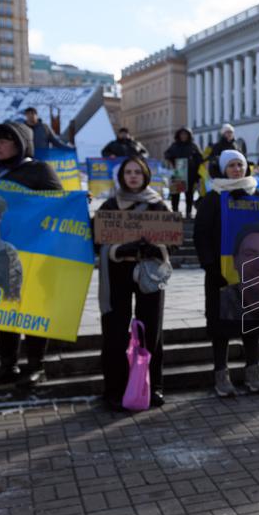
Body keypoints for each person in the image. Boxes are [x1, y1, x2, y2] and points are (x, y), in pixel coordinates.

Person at [0, 122, 62, 389]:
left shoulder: (39, 170)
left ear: (20, 142)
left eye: (4, 140)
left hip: (34, 254)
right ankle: (8, 365)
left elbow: (59, 207)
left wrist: (76, 202)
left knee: (33, 307)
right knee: (3, 309)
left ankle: (37, 367)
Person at [95, 156, 170, 411]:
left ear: (146, 175)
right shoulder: (110, 204)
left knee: (152, 329)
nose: (133, 176)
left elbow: (172, 239)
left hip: (149, 272)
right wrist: (119, 248)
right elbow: (97, 240)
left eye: (138, 171)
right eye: (128, 172)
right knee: (115, 330)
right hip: (117, 271)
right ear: (121, 176)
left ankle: (153, 385)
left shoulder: (158, 205)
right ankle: (114, 389)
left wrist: (155, 248)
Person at [193, 150, 259, 397]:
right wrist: (210, 267)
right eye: (231, 165)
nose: (236, 169)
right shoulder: (214, 197)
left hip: (252, 272)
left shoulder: (256, 195)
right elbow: (201, 235)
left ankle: (253, 371)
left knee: (252, 324)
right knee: (221, 326)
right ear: (223, 169)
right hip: (221, 273)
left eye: (240, 165)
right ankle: (221, 375)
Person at [163, 127, 202, 218]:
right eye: (182, 134)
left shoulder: (193, 146)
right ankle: (175, 211)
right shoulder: (174, 145)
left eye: (185, 134)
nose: (183, 136)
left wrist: (197, 174)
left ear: (189, 136)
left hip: (191, 173)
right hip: (178, 173)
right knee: (175, 194)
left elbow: (200, 159)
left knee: (189, 194)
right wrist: (172, 160)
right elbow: (167, 154)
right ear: (178, 136)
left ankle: (188, 212)